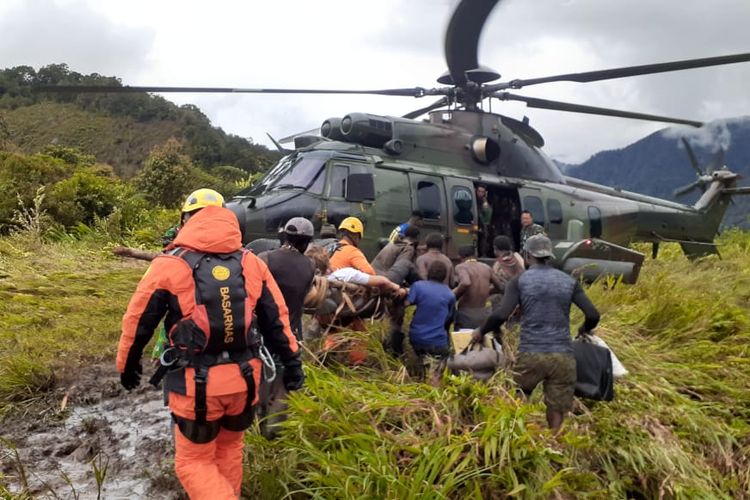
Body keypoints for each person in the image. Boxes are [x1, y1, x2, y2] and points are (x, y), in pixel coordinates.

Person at [116, 189, 303, 499]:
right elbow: (278, 321)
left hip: (196, 386)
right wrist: (293, 363)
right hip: (245, 381)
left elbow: (138, 321)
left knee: (193, 462)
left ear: (186, 219)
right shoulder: (252, 263)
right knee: (229, 449)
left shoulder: (170, 264)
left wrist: (127, 365)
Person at [474, 234, 600, 435]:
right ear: (549, 255)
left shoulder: (520, 281)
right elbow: (593, 314)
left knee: (518, 396)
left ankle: (518, 439)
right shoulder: (568, 281)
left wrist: (481, 331)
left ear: (527, 254)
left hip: (532, 352)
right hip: (563, 356)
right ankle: (555, 443)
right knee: (557, 407)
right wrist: (584, 329)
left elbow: (501, 314)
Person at [257, 217, 316, 341]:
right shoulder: (310, 265)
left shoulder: (264, 258)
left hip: (263, 334)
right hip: (291, 336)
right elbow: (307, 295)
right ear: (306, 242)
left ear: (285, 236)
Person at [372, 224, 421, 356]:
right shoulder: (408, 249)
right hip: (387, 286)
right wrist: (402, 288)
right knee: (396, 319)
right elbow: (401, 270)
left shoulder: (391, 245)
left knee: (383, 321)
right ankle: (394, 353)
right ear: (416, 240)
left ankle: (382, 348)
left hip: (374, 283)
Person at [405, 261, 456, 385]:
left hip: (416, 338)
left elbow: (406, 304)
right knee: (437, 372)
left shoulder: (418, 286)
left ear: (429, 273)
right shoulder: (450, 294)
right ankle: (432, 397)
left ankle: (419, 380)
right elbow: (450, 319)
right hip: (437, 342)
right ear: (445, 276)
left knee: (424, 361)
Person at [453, 245, 503, 329]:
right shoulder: (486, 267)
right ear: (475, 255)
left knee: (464, 341)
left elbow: (465, 282)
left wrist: (453, 296)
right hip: (484, 314)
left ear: (460, 257)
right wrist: (486, 292)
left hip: (466, 314)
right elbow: (500, 287)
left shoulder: (461, 267)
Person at [476, 185, 493, 257]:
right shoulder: (473, 199)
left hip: (482, 224)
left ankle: (483, 254)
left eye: (482, 192)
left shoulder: (484, 202)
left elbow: (487, 215)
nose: (480, 193)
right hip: (474, 222)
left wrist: (485, 200)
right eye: (479, 191)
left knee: (485, 234)